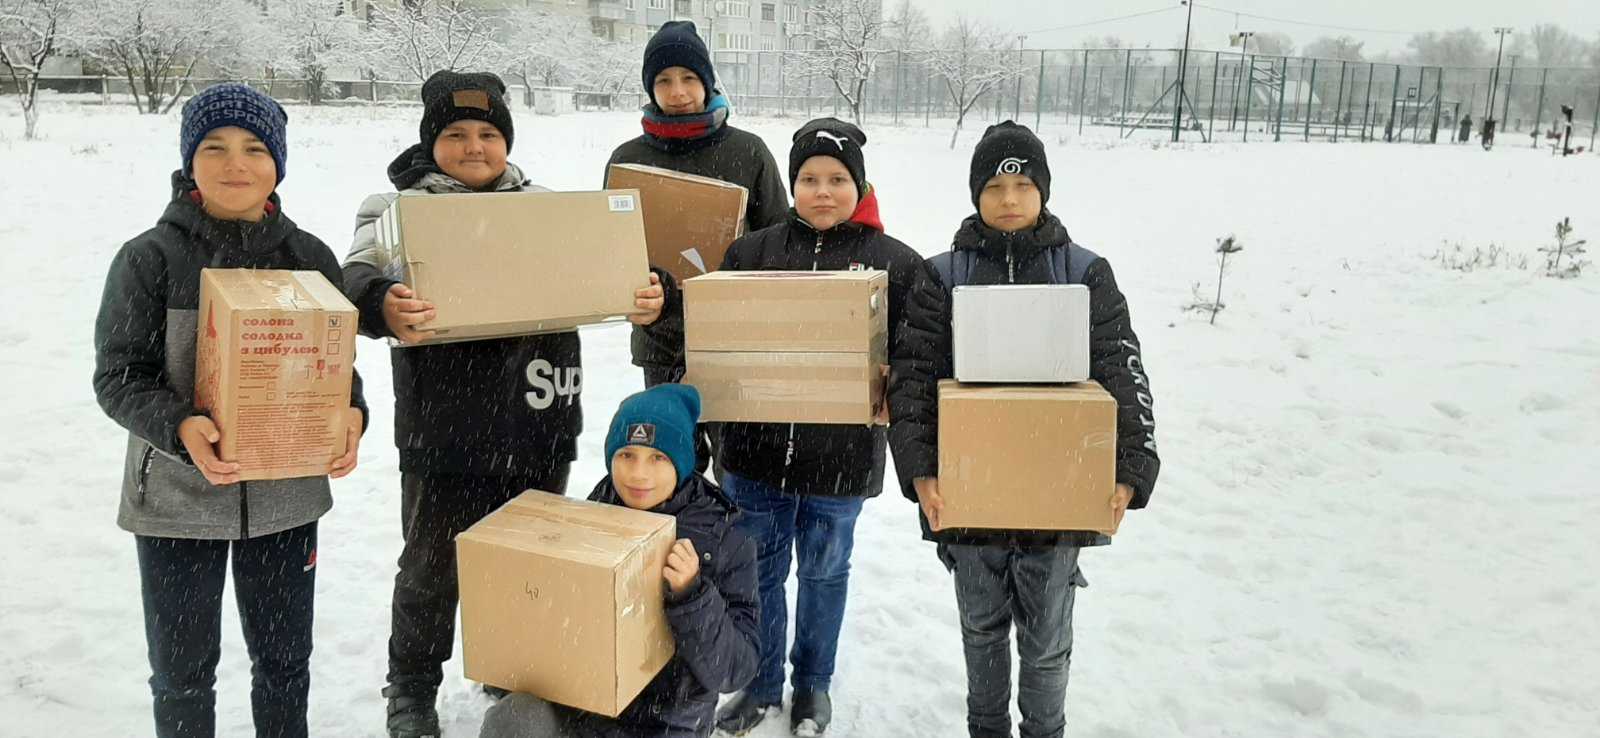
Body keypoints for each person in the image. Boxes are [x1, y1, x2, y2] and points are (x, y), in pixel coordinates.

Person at [338, 70, 665, 738]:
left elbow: (607, 267)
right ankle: (411, 690)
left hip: (538, 417)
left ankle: (516, 671)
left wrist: (646, 288)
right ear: (431, 143)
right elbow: (355, 276)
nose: (474, 147)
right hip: (442, 426)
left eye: (488, 133)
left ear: (506, 141)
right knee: (431, 570)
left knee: (527, 564)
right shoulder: (395, 209)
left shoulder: (542, 206)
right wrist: (379, 302)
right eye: (455, 134)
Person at [92, 82, 368, 738]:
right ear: (190, 160)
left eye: (254, 148)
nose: (235, 164)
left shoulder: (308, 257)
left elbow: (337, 363)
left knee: (284, 664)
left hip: (287, 502)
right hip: (177, 504)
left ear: (278, 163)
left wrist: (352, 413)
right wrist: (179, 425)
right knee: (182, 673)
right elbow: (119, 376)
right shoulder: (149, 258)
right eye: (214, 147)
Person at [887, 121, 1163, 738]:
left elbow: (1122, 371)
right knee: (981, 632)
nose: (1009, 199)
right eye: (993, 186)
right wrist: (921, 472)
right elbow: (912, 381)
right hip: (969, 499)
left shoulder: (1084, 273)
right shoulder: (943, 276)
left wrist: (1130, 471)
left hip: (1056, 501)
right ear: (975, 194)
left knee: (1046, 643)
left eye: (1022, 185)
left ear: (1043, 190)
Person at [711, 118, 924, 737]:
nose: (822, 191)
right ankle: (758, 684)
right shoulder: (752, 255)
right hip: (755, 455)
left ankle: (812, 684)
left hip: (842, 460)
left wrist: (895, 384)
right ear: (792, 183)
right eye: (808, 178)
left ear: (860, 185)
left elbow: (918, 353)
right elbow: (719, 339)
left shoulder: (895, 263)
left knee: (825, 573)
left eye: (837, 179)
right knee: (759, 573)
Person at [477, 384, 760, 738]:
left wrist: (693, 593)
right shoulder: (597, 507)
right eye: (627, 454)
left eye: (658, 458)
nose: (638, 473)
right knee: (514, 719)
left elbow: (735, 670)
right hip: (585, 709)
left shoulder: (725, 537)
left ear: (682, 463)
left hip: (667, 724)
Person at [609, 20, 790, 392]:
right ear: (650, 87)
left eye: (689, 78)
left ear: (707, 82)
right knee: (669, 432)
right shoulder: (628, 160)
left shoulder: (748, 151)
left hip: (736, 339)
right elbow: (611, 254)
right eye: (664, 80)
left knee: (739, 433)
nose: (677, 92)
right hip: (659, 343)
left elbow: (780, 240)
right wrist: (641, 297)